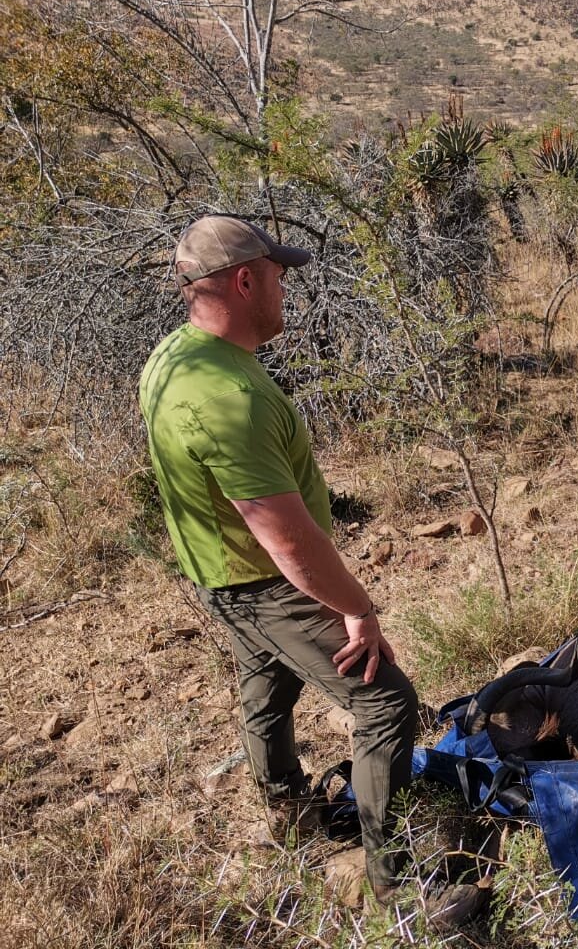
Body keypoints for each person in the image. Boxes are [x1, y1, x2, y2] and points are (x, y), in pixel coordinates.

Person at [138, 215, 419, 903]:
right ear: (243, 280)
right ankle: (397, 887)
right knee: (386, 703)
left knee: (267, 689)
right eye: (277, 275)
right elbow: (287, 542)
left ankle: (292, 820)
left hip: (219, 576)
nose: (285, 286)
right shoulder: (226, 397)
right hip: (264, 585)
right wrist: (357, 608)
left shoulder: (173, 357)